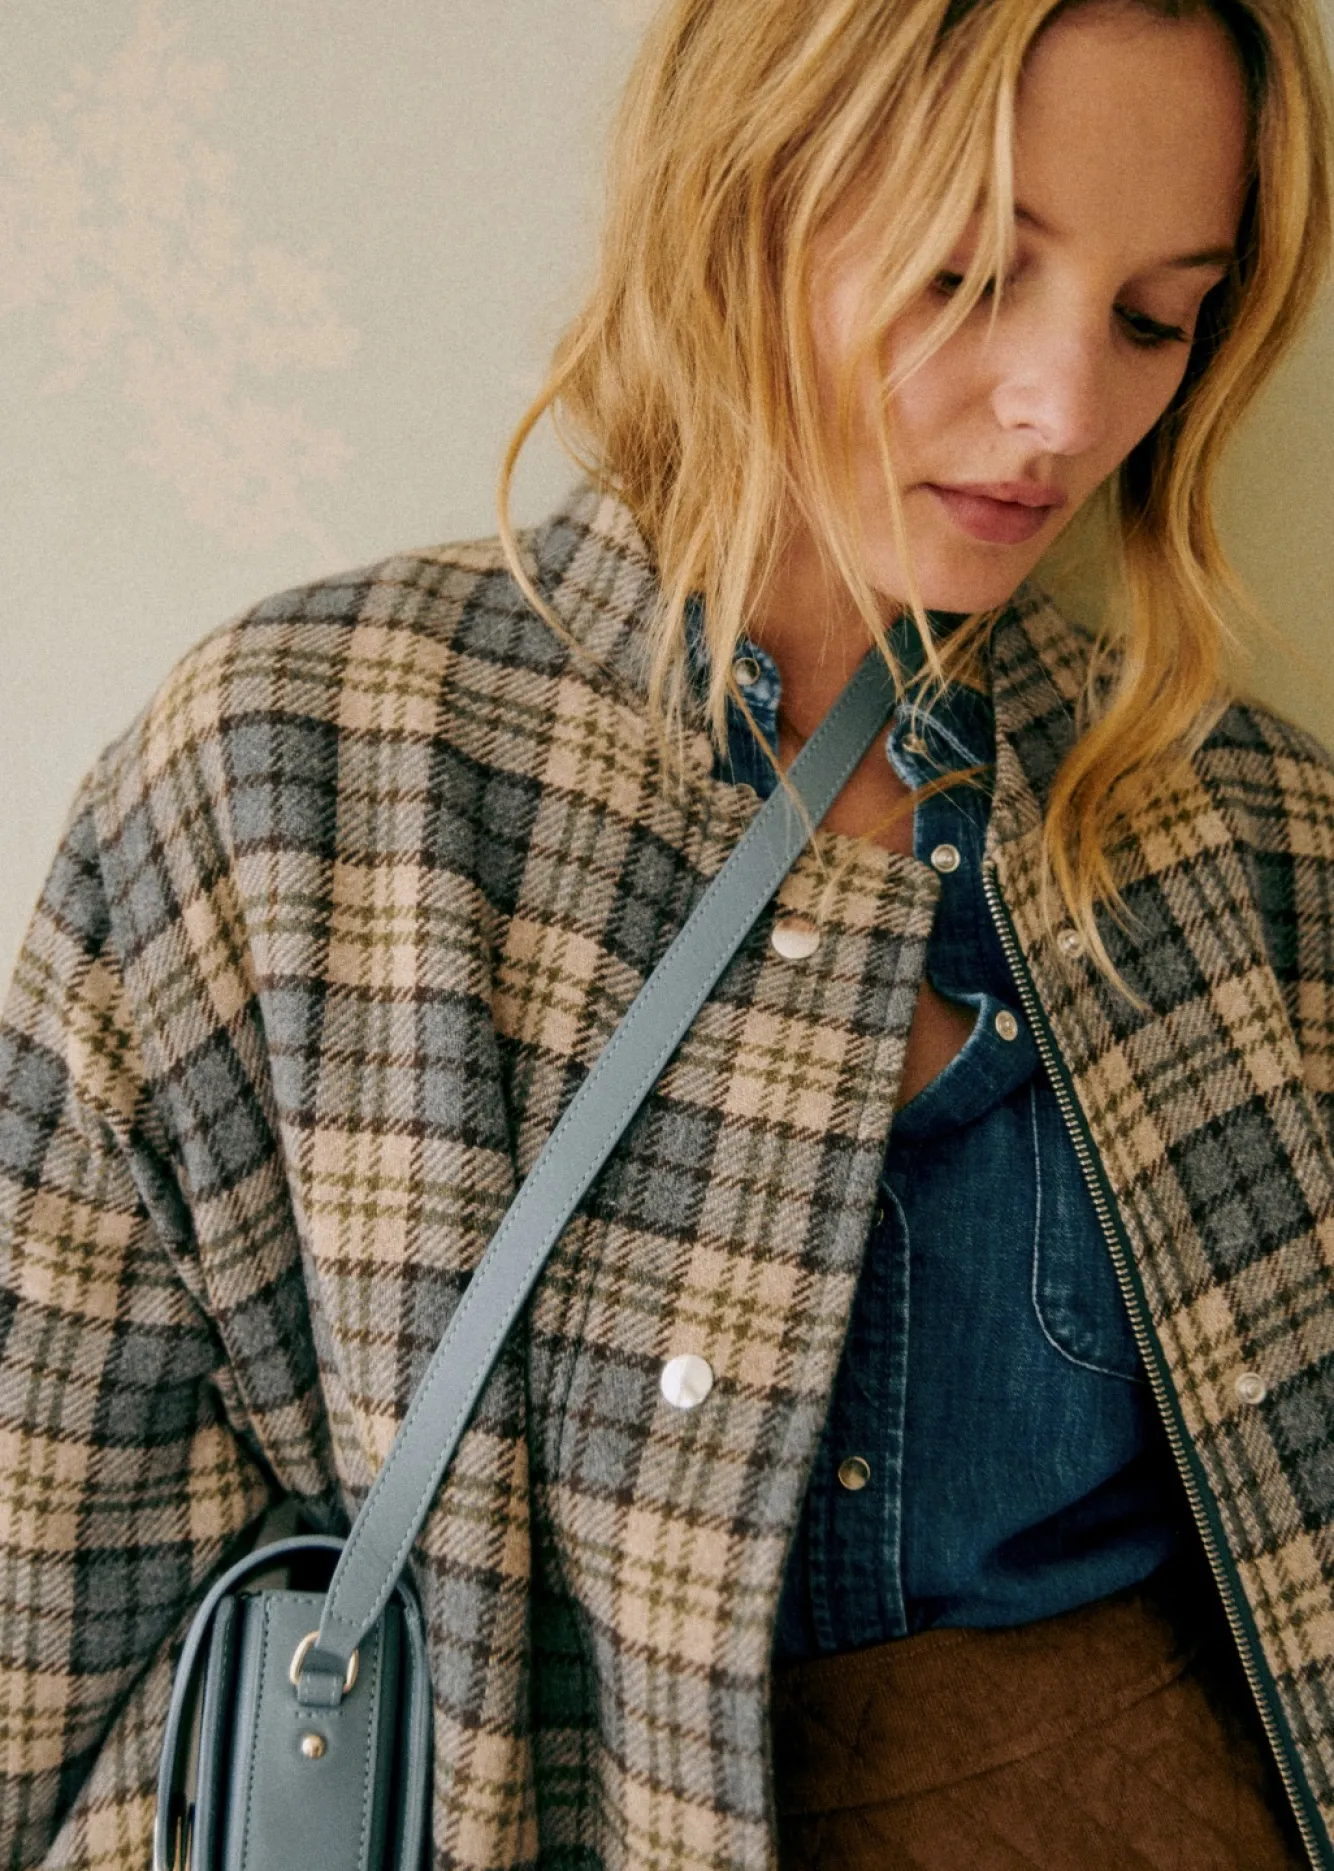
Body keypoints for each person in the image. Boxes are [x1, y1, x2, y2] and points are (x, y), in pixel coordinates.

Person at [1, 0, 1334, 1863]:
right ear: (745, 190)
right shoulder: (300, 776)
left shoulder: (1245, 841)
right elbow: (43, 1618)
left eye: (1150, 316)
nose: (1063, 411)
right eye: (967, 272)